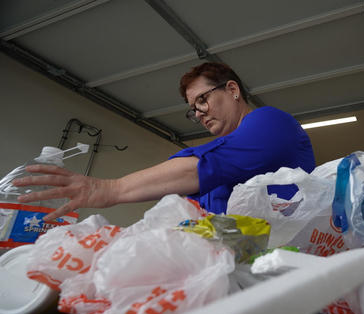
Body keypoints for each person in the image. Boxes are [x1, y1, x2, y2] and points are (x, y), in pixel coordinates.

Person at [13, 62, 315, 220]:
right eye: (192, 109)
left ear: (232, 89)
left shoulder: (271, 122)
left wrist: (108, 188)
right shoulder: (217, 153)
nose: (197, 114)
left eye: (202, 101)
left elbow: (200, 168)